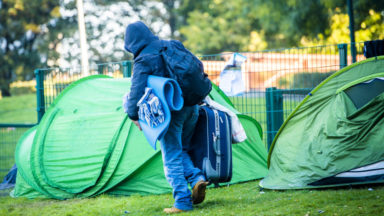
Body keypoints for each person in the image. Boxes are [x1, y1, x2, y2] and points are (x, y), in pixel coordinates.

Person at [124, 21, 209, 214]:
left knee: (171, 157)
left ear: (131, 43)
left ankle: (182, 202)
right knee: (181, 150)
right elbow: (197, 65)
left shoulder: (144, 58)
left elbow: (136, 93)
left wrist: (133, 115)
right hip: (192, 107)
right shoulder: (173, 45)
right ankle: (197, 179)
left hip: (170, 113)